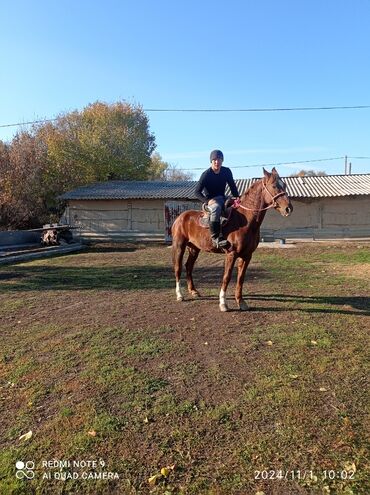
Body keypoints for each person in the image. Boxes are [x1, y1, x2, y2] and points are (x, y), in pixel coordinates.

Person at [195, 149, 240, 249]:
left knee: (237, 206)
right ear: (211, 161)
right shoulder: (206, 174)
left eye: (219, 159)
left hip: (223, 198)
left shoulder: (226, 171)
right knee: (216, 208)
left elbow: (232, 186)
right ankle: (215, 238)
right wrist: (208, 201)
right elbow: (196, 192)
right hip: (211, 201)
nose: (217, 162)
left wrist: (237, 198)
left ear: (222, 161)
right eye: (214, 159)